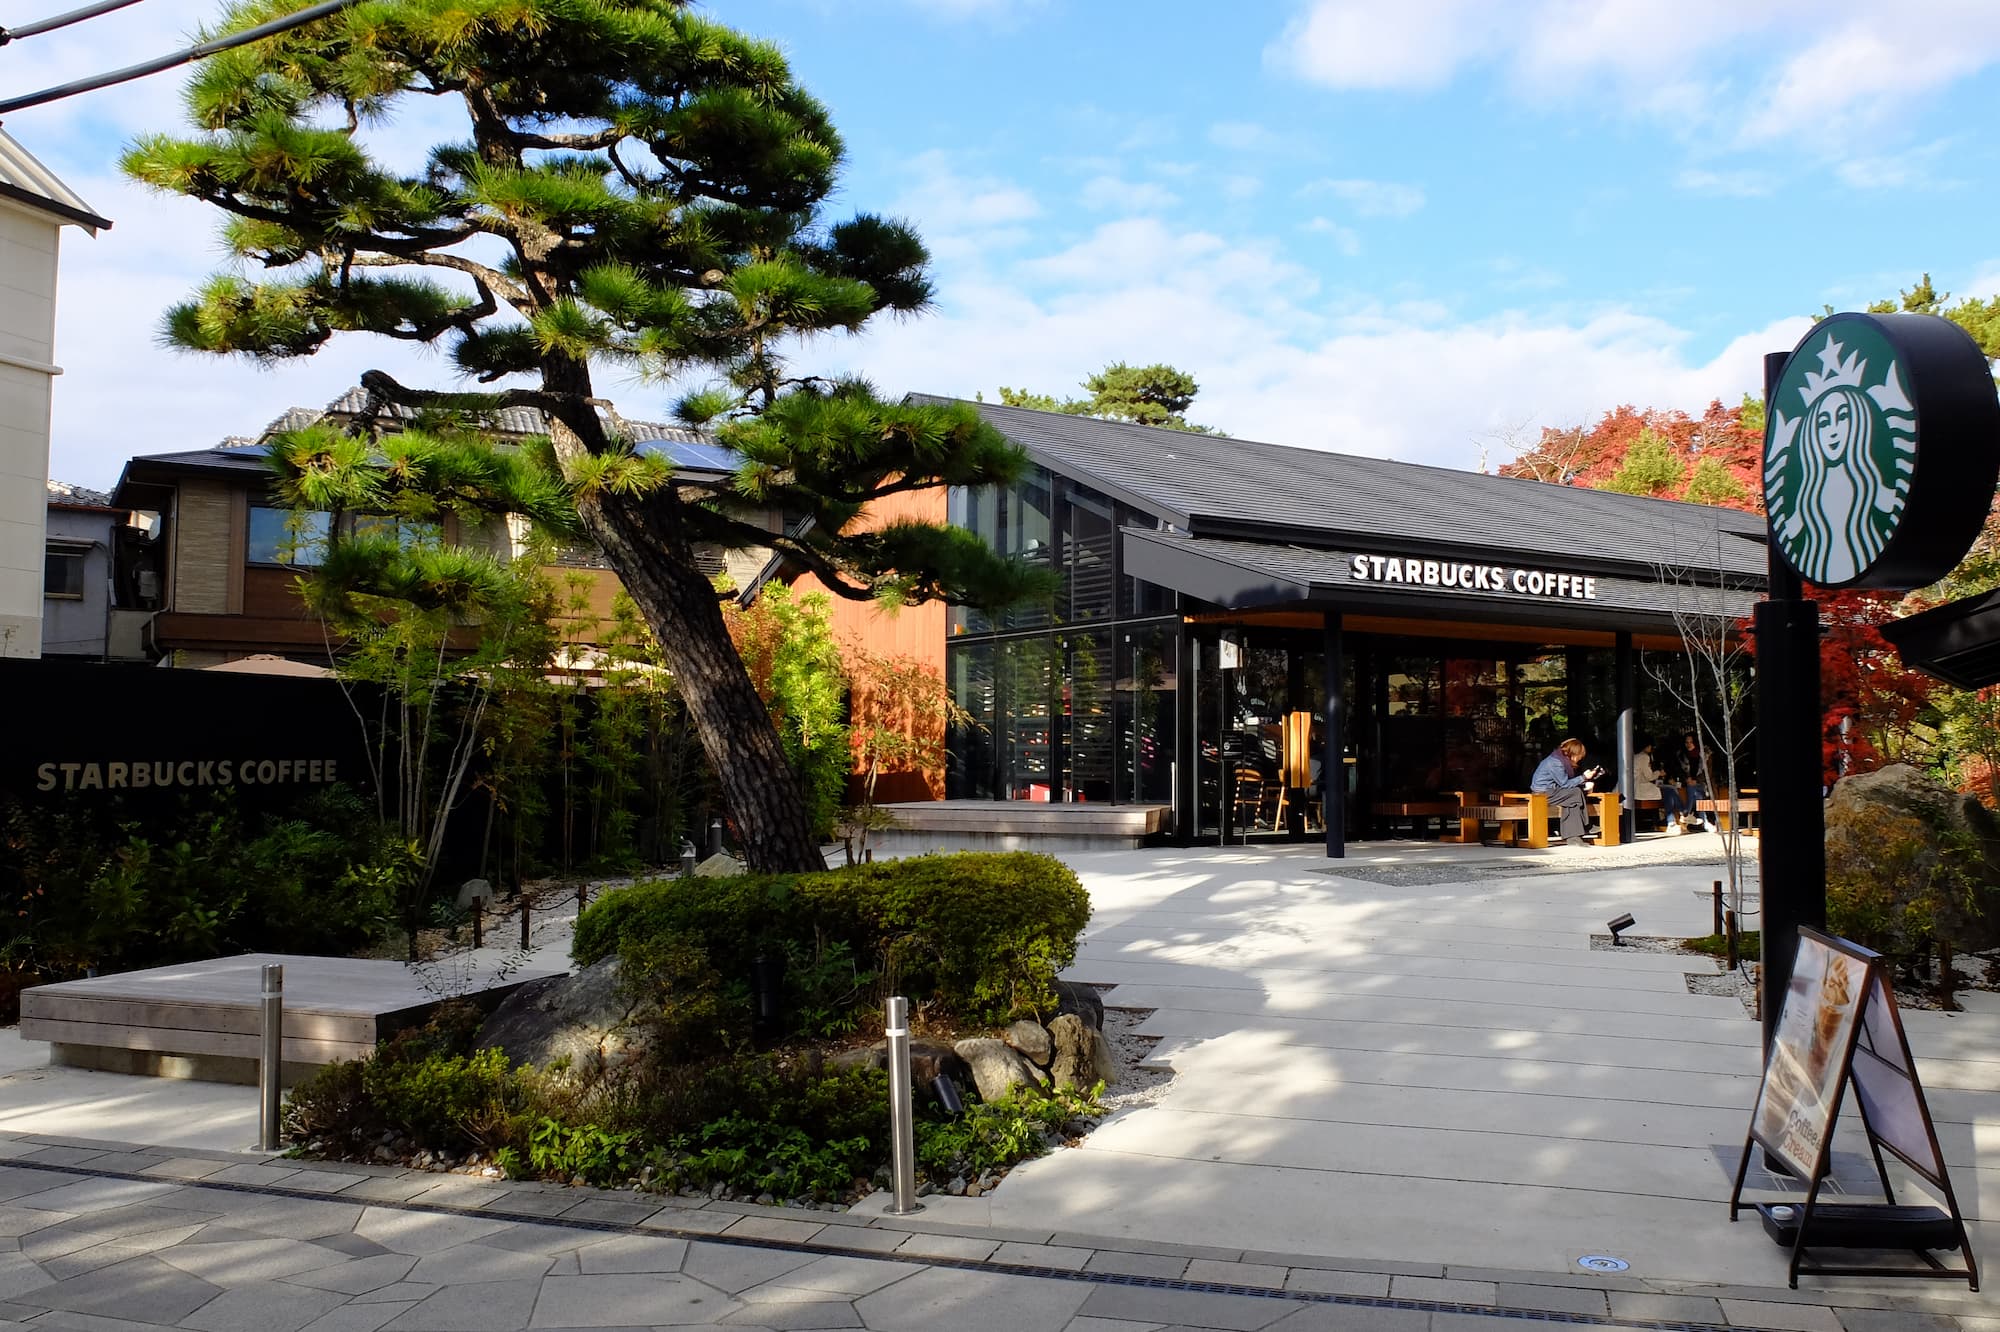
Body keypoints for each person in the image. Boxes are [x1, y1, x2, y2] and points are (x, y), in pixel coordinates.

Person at [1530, 738, 1603, 845]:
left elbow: (1565, 784)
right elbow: (1565, 784)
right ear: (1573, 753)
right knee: (1576, 793)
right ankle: (1585, 826)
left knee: (1573, 799)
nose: (1579, 759)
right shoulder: (1555, 763)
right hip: (1542, 794)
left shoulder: (1559, 759)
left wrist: (1584, 784)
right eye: (1579, 756)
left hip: (1552, 791)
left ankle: (1574, 838)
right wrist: (1583, 778)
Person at [1669, 731, 1715, 832]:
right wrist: (1687, 779)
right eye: (1687, 742)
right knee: (1697, 796)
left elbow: (1708, 773)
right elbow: (1679, 771)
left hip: (1703, 784)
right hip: (1688, 784)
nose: (1689, 744)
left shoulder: (1705, 755)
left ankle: (1686, 813)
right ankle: (1705, 821)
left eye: (1691, 742)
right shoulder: (1681, 755)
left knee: (1694, 791)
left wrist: (1696, 780)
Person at [1631, 735, 1669, 832]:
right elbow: (1649, 776)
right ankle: (1672, 817)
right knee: (1667, 791)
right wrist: (1659, 773)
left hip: (1632, 786)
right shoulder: (1644, 757)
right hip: (1638, 788)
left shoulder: (1634, 756)